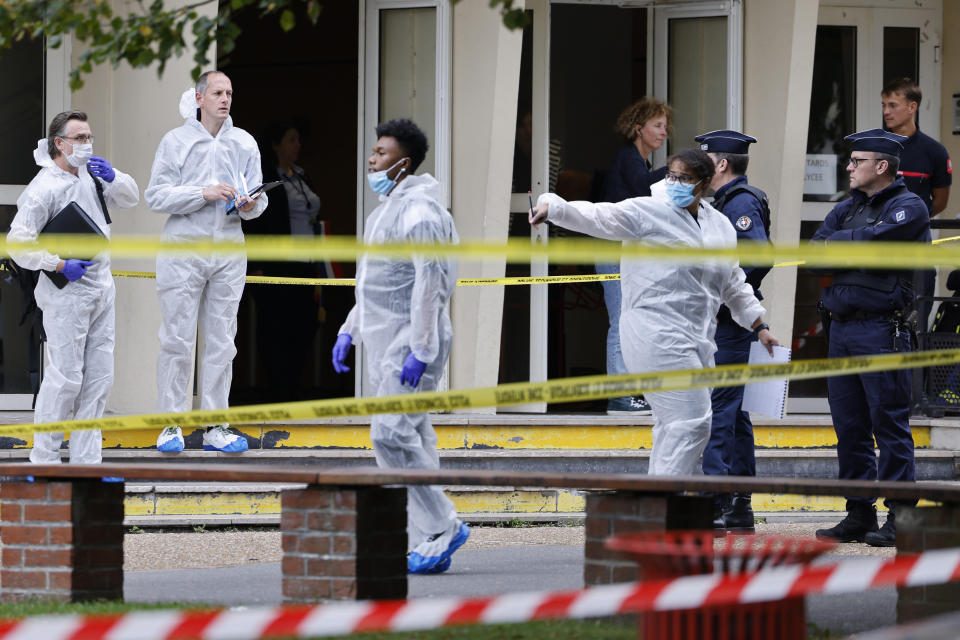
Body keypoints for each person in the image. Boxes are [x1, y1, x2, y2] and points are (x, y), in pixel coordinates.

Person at [530, 148, 779, 476]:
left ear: (703, 184)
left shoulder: (718, 226)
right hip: (653, 332)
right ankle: (665, 503)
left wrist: (759, 324)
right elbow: (599, 216)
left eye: (684, 178)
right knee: (692, 423)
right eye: (671, 176)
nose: (674, 183)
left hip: (694, 337)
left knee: (674, 425)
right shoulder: (649, 210)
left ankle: (660, 502)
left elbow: (733, 282)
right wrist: (554, 207)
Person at [331, 118, 469, 574]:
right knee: (414, 435)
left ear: (404, 163)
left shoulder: (420, 213)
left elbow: (430, 283)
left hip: (412, 342)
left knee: (389, 434)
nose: (372, 160)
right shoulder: (385, 211)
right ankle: (424, 540)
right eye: (372, 152)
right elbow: (375, 282)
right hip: (388, 340)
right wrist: (349, 329)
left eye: (382, 153)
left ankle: (444, 525)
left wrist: (422, 349)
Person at [812, 129, 930, 547]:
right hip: (842, 330)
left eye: (856, 161)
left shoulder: (908, 206)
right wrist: (851, 245)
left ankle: (900, 519)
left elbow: (880, 242)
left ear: (881, 166)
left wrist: (841, 246)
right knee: (851, 428)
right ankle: (858, 514)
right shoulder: (847, 208)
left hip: (882, 330)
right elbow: (813, 252)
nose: (848, 167)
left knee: (889, 425)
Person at [7, 110, 140, 463]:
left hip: (101, 288)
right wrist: (60, 263)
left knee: (99, 379)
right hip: (65, 293)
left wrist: (117, 177)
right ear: (59, 144)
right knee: (65, 378)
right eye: (79, 138)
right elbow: (18, 244)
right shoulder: (43, 188)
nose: (87, 144)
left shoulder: (92, 179)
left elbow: (130, 198)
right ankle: (45, 459)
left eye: (89, 137)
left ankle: (87, 461)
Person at [145, 71, 267, 453]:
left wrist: (249, 203)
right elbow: (156, 197)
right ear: (199, 98)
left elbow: (259, 200)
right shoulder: (176, 141)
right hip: (183, 251)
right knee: (177, 339)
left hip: (229, 249)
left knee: (222, 341)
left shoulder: (244, 142)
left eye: (229, 92)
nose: (225, 99)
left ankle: (216, 424)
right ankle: (171, 424)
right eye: (217, 92)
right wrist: (203, 192)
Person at [695, 130, 771, 533]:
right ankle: (738, 505)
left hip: (731, 322)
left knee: (719, 409)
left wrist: (725, 294)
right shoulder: (722, 202)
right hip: (728, 321)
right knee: (734, 412)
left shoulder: (740, 202)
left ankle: (716, 500)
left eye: (704, 160)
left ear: (720, 164)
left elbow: (758, 255)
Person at [597, 98, 672, 415]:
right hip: (614, 251)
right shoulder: (628, 159)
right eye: (657, 126)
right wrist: (676, 169)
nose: (663, 133)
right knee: (621, 321)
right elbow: (643, 191)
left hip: (624, 251)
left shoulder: (639, 162)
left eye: (666, 127)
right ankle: (621, 395)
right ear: (638, 129)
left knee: (630, 320)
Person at [243, 120, 322, 402]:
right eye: (291, 139)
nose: (297, 145)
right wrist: (257, 264)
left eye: (298, 140)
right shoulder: (266, 176)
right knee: (276, 327)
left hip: (306, 264)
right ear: (276, 145)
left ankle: (293, 387)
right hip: (277, 264)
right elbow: (257, 222)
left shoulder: (302, 176)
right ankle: (277, 391)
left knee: (305, 325)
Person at [881, 77, 951, 329]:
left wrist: (913, 220)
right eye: (883, 105)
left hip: (916, 250)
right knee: (880, 324)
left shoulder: (934, 151)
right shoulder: (876, 148)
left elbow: (941, 199)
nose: (886, 111)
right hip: (878, 249)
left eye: (892, 104)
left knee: (916, 322)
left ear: (912, 107)